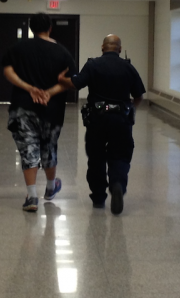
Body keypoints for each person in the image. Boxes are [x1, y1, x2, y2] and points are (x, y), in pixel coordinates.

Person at [57, 34, 145, 215]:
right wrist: (132, 110)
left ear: (102, 47)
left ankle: (98, 196)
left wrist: (61, 79)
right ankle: (117, 184)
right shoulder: (129, 68)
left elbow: (75, 84)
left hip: (97, 120)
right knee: (120, 155)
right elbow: (139, 96)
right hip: (121, 120)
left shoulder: (93, 64)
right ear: (119, 49)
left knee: (96, 157)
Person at [2, 13, 77, 212]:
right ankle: (51, 189)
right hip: (51, 111)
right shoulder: (62, 52)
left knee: (28, 150)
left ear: (31, 29)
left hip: (22, 108)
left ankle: (32, 196)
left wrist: (29, 88)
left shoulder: (18, 48)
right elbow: (72, 80)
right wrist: (49, 93)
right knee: (49, 148)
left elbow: (8, 71)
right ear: (50, 28)